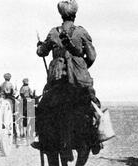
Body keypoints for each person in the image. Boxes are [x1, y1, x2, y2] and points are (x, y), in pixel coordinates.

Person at [31, 0, 102, 154]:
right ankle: (96, 138)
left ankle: (40, 138)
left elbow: (41, 52)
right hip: (79, 80)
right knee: (94, 104)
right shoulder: (82, 32)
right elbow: (92, 56)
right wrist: (81, 67)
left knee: (43, 108)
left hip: (57, 80)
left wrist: (39, 46)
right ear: (75, 15)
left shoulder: (53, 32)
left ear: (61, 15)